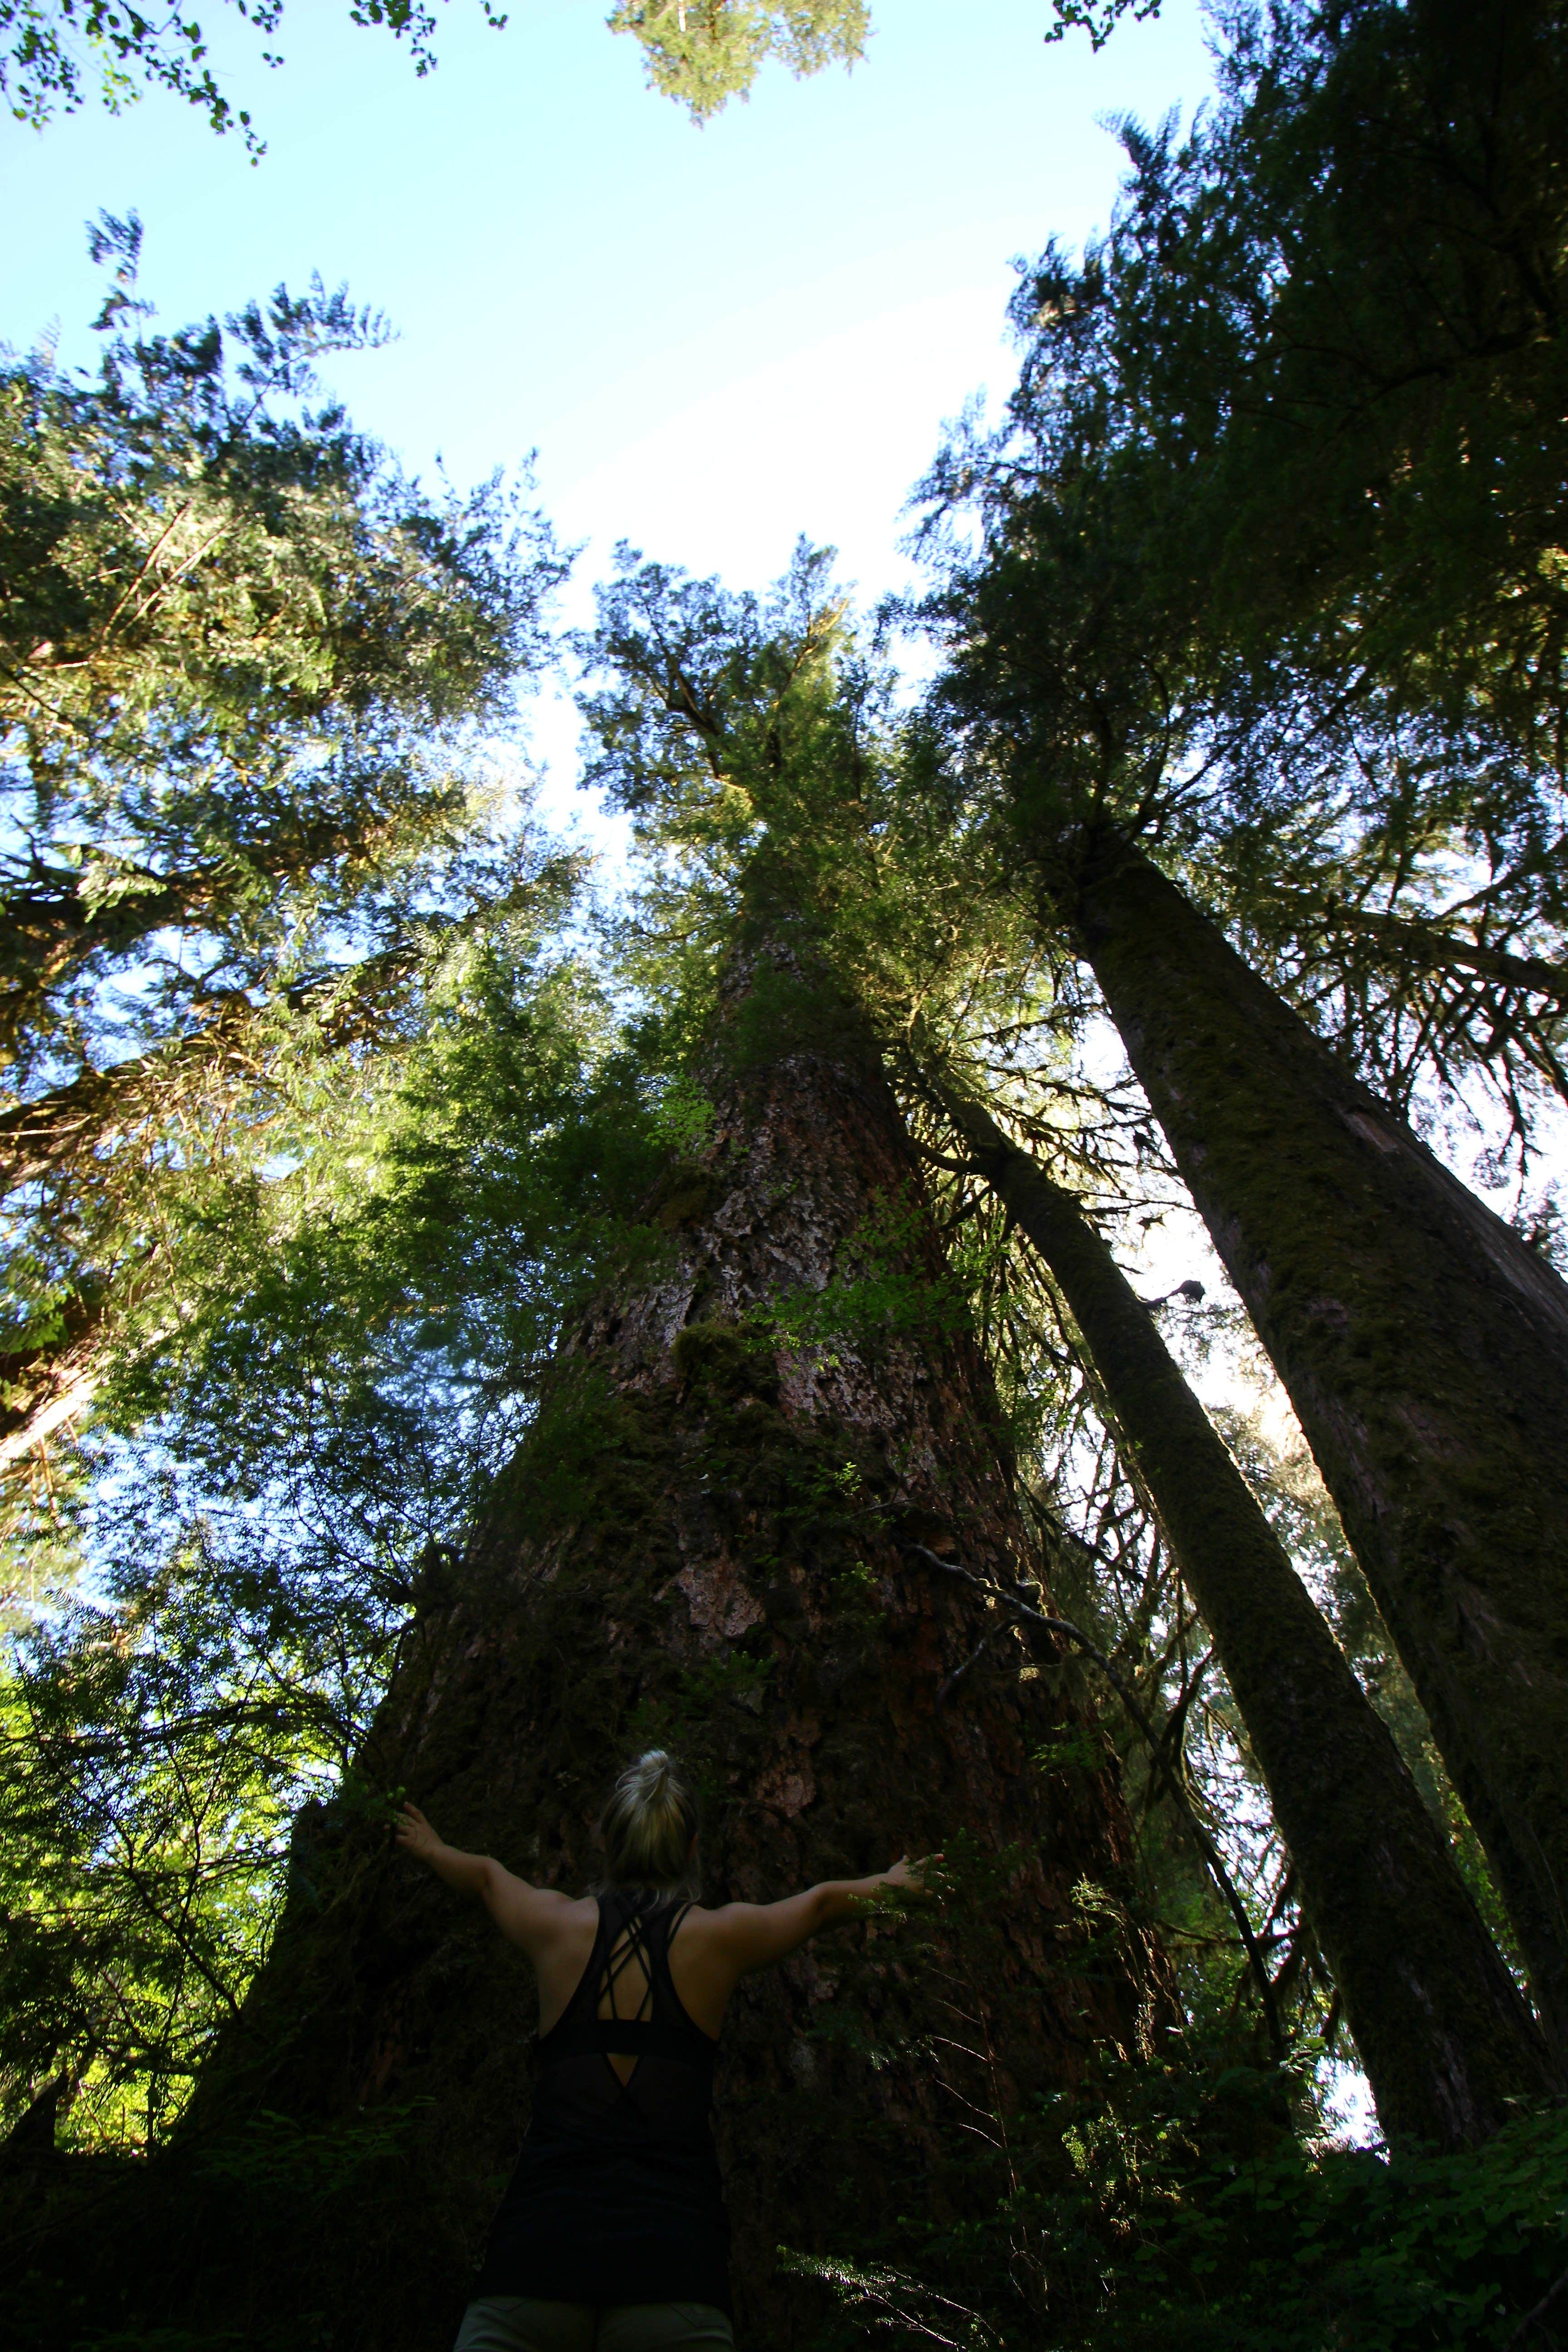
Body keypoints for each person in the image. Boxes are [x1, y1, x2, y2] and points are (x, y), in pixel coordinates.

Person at [396, 1749, 926, 2352]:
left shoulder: (554, 1926)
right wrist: (893, 1885)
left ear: (606, 1840)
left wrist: (433, 1847)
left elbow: (489, 1877)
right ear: (693, 1848)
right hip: (673, 2273)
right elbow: (822, 1904)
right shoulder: (719, 1938)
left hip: (534, 2265)